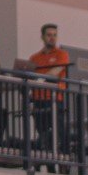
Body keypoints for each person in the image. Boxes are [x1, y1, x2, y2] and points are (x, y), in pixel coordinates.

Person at [28, 23, 71, 157]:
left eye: (54, 35)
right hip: (38, 99)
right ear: (42, 37)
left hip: (54, 99)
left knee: (58, 131)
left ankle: (62, 158)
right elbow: (29, 75)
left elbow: (56, 71)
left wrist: (39, 79)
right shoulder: (34, 58)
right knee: (41, 131)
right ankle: (46, 159)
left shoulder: (62, 54)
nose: (52, 38)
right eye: (49, 35)